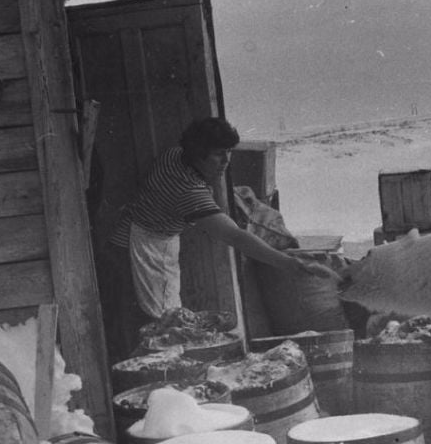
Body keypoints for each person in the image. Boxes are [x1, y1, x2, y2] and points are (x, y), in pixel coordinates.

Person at [109, 117, 336, 326]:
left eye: (229, 151)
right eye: (218, 154)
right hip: (145, 246)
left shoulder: (175, 155)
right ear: (198, 153)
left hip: (142, 231)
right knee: (163, 321)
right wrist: (288, 263)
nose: (226, 160)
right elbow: (235, 236)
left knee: (164, 317)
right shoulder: (189, 192)